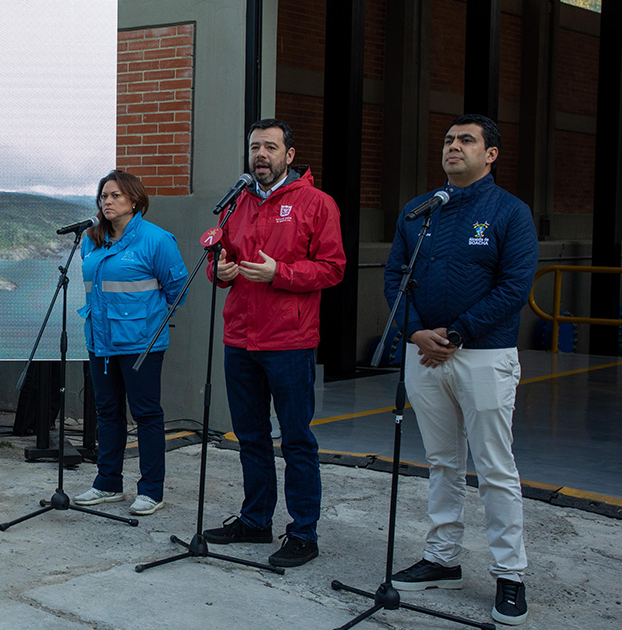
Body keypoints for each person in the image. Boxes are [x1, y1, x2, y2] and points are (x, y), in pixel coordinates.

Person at [384, 114, 538, 626]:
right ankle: (443, 558)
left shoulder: (510, 213)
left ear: (490, 154)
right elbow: (394, 280)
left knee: (495, 467)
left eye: (466, 140)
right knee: (442, 463)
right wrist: (414, 332)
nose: (453, 147)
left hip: (483, 357)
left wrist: (454, 334)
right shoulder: (418, 211)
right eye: (449, 140)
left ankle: (510, 573)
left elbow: (515, 287)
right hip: (424, 354)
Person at [203, 119, 346, 567]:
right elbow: (218, 260)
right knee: (250, 437)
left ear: (289, 154)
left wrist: (279, 274)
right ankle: (255, 520)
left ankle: (303, 532)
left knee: (297, 440)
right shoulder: (237, 202)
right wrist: (219, 272)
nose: (260, 154)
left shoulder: (317, 203)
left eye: (270, 146)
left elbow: (333, 267)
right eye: (254, 147)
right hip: (240, 338)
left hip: (289, 341)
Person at [72, 170, 188, 516]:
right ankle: (108, 483)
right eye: (103, 196)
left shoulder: (156, 240)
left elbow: (177, 290)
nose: (107, 202)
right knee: (107, 413)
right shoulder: (92, 239)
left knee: (146, 414)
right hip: (100, 340)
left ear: (134, 200)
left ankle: (151, 491)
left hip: (141, 343)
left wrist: (143, 318)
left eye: (115, 196)